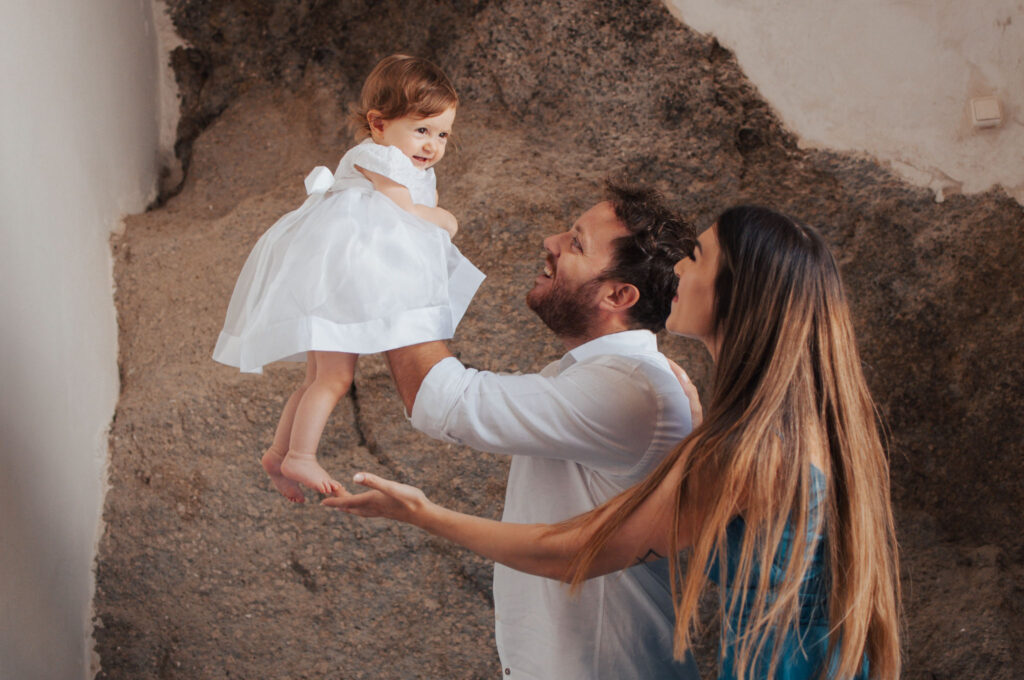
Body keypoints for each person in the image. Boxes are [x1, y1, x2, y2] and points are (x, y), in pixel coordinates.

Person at [327, 206, 903, 680]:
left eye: (697, 257)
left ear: (739, 293)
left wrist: (424, 515)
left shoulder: (739, 443)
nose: (677, 269)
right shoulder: (758, 432)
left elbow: (577, 552)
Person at [342, 183, 701, 678]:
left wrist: (396, 264)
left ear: (619, 295)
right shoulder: (603, 376)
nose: (551, 242)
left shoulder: (630, 388)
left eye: (576, 243)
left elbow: (443, 399)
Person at [212, 54, 484, 501]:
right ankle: (301, 455)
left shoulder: (415, 168)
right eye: (421, 130)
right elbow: (404, 209)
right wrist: (447, 220)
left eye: (442, 134)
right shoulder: (377, 156)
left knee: (316, 379)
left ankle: (279, 454)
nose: (432, 145)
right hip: (339, 282)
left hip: (341, 280)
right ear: (378, 124)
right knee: (335, 379)